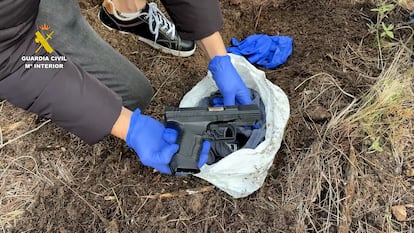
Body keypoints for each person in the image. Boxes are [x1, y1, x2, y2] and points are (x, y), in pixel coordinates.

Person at [0, 0, 252, 174]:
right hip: (8, 31)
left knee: (130, 95)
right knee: (126, 98)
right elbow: (10, 60)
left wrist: (219, 57)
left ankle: (126, 14)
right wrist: (129, 126)